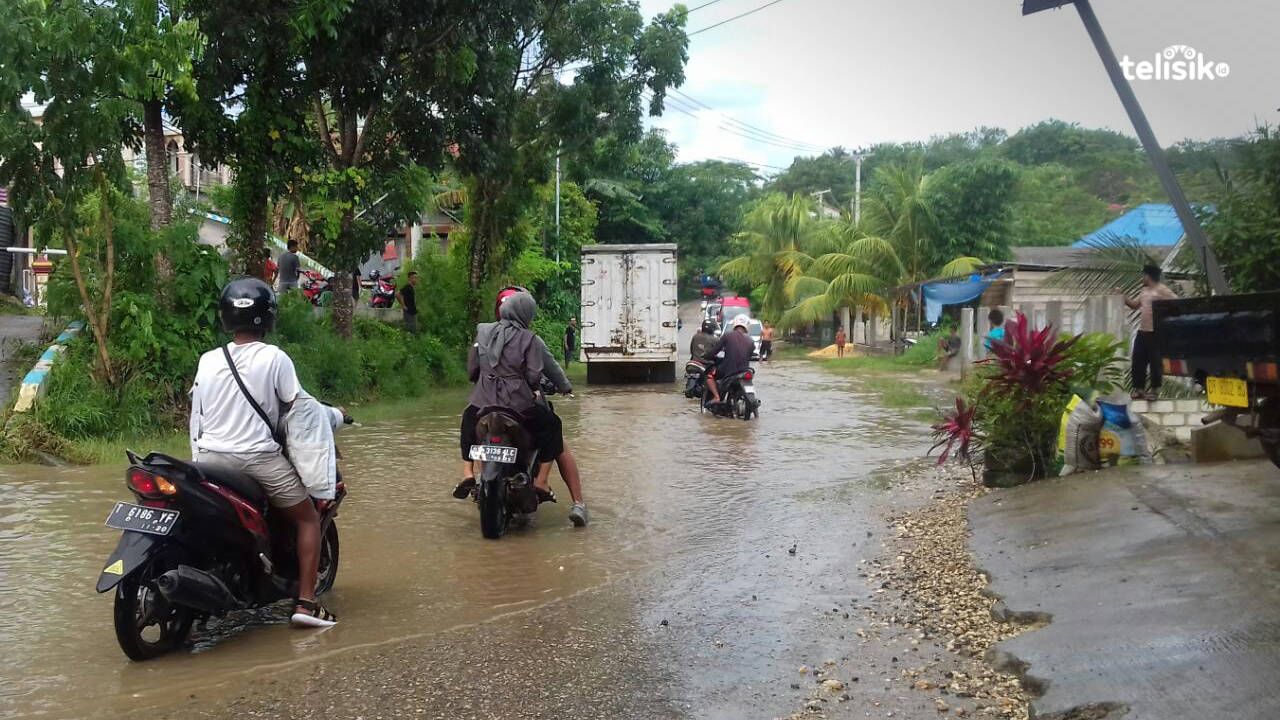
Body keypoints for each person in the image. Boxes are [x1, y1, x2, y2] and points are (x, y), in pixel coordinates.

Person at [189, 278, 335, 628]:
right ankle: (306, 603)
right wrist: (335, 415)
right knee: (307, 518)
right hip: (256, 459)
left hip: (208, 460)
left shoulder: (208, 359)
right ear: (268, 317)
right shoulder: (274, 358)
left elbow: (197, 413)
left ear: (226, 317)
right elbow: (299, 409)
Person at [454, 289, 587, 527]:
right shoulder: (530, 339)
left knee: (467, 418)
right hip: (518, 407)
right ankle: (547, 484)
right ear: (526, 314)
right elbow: (536, 376)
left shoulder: (482, 332)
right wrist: (562, 387)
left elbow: (472, 370)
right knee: (553, 426)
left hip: (483, 404)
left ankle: (467, 473)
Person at [1115, 265, 1176, 400]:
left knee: (1155, 362)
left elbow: (1176, 303)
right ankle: (1139, 389)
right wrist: (1122, 295)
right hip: (1143, 332)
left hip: (1156, 332)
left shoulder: (1162, 290)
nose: (1142, 278)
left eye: (1144, 276)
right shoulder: (1144, 291)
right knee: (1138, 360)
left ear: (1148, 276)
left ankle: (1154, 390)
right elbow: (1134, 305)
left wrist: (1165, 319)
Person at [702, 314, 755, 405]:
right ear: (747, 326)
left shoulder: (727, 336)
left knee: (709, 376)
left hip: (728, 370)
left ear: (734, 324)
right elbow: (750, 354)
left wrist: (706, 356)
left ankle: (716, 396)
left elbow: (714, 351)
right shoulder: (750, 340)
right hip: (745, 370)